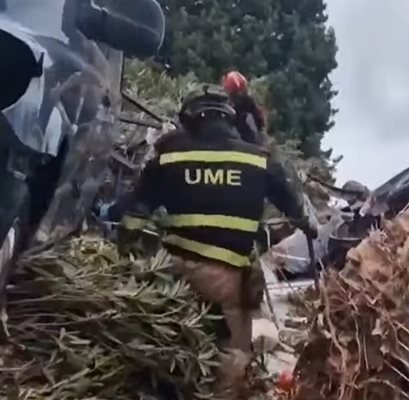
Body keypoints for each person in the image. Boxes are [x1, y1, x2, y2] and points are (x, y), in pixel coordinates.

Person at [97, 85, 316, 398]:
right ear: (229, 118)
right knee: (233, 357)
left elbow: (133, 217)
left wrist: (124, 260)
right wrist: (306, 224)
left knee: (163, 351)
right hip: (225, 281)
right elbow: (302, 215)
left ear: (190, 118)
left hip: (170, 275)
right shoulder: (259, 160)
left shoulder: (168, 156)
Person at [222, 70, 268, 146]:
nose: (237, 99)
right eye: (235, 95)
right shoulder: (223, 106)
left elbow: (260, 126)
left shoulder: (249, 107)